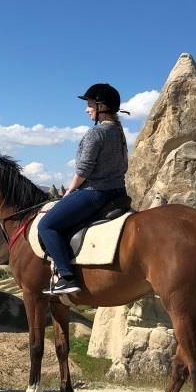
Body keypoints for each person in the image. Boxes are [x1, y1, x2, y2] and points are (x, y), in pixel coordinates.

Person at [37, 83, 130, 296]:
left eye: (89, 104)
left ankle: (66, 276)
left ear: (101, 106)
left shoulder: (96, 133)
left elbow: (84, 169)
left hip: (95, 192)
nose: (86, 109)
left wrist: (69, 191)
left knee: (47, 225)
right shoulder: (119, 132)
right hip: (118, 192)